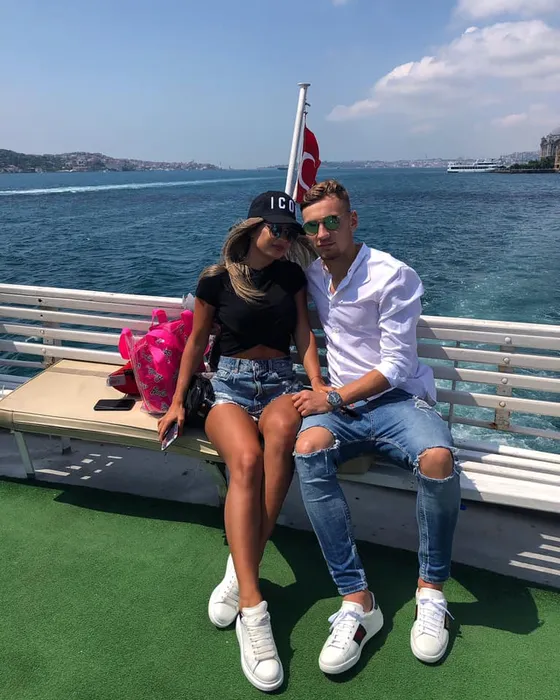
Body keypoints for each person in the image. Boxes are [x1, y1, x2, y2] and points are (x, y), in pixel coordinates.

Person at [291, 180, 461, 674]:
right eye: (312, 226)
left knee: (437, 459)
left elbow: (397, 365)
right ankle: (357, 599)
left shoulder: (392, 276)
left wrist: (332, 396)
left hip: (396, 401)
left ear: (352, 221)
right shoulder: (312, 273)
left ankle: (431, 592)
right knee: (308, 448)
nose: (322, 233)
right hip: (342, 408)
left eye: (332, 221)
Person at [158, 191, 322, 693]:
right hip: (228, 385)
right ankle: (254, 608)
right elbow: (196, 342)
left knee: (281, 441)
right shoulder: (215, 279)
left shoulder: (291, 277)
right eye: (276, 228)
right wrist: (177, 401)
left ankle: (240, 568)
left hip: (280, 383)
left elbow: (303, 334)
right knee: (246, 460)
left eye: (290, 231)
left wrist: (317, 386)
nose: (284, 237)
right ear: (253, 228)